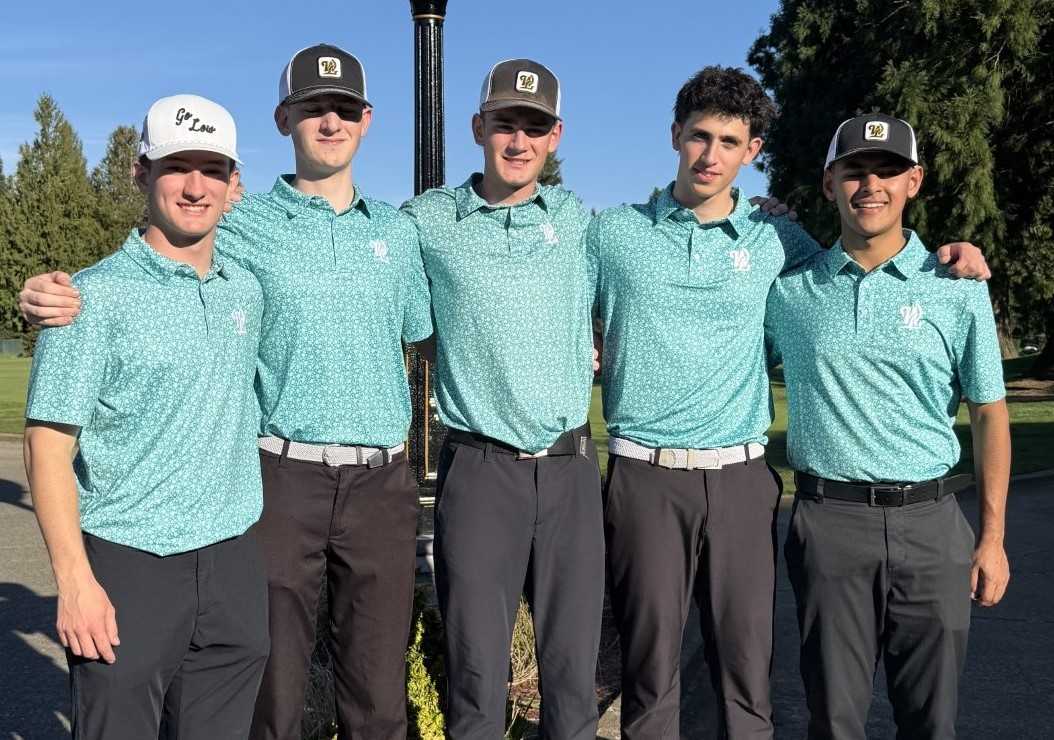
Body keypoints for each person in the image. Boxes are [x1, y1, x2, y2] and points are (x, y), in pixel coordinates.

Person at [21, 44, 433, 740]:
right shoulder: (233, 229)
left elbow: (425, 331)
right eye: (312, 109)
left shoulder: (397, 232)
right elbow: (51, 438)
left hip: (352, 494)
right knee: (266, 699)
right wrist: (44, 293)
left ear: (365, 120)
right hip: (266, 487)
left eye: (342, 110)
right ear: (285, 121)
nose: (328, 122)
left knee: (372, 696)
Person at [587, 67, 991, 739]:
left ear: (752, 152)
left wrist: (951, 257)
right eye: (698, 136)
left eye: (730, 141)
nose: (710, 155)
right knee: (650, 674)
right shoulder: (613, 234)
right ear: (675, 137)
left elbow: (866, 257)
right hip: (644, 473)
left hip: (743, 478)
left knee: (747, 676)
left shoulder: (780, 242)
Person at [23, 94, 269, 739]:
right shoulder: (90, 297)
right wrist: (74, 582)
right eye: (176, 167)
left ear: (233, 183)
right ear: (141, 173)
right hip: (130, 563)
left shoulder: (245, 288)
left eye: (212, 169)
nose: (195, 187)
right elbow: (47, 445)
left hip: (233, 561)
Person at [765, 113, 1010, 739]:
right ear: (829, 185)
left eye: (888, 171)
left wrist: (992, 538)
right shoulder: (790, 292)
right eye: (854, 172)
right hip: (829, 524)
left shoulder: (956, 287)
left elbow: (989, 412)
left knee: (931, 721)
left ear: (914, 183)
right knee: (835, 719)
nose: (870, 185)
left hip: (931, 526)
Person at [401, 59, 604, 740]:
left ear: (555, 137)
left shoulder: (581, 223)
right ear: (478, 127)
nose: (518, 141)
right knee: (476, 677)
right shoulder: (428, 221)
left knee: (573, 677)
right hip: (482, 473)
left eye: (534, 127)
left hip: (571, 470)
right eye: (504, 124)